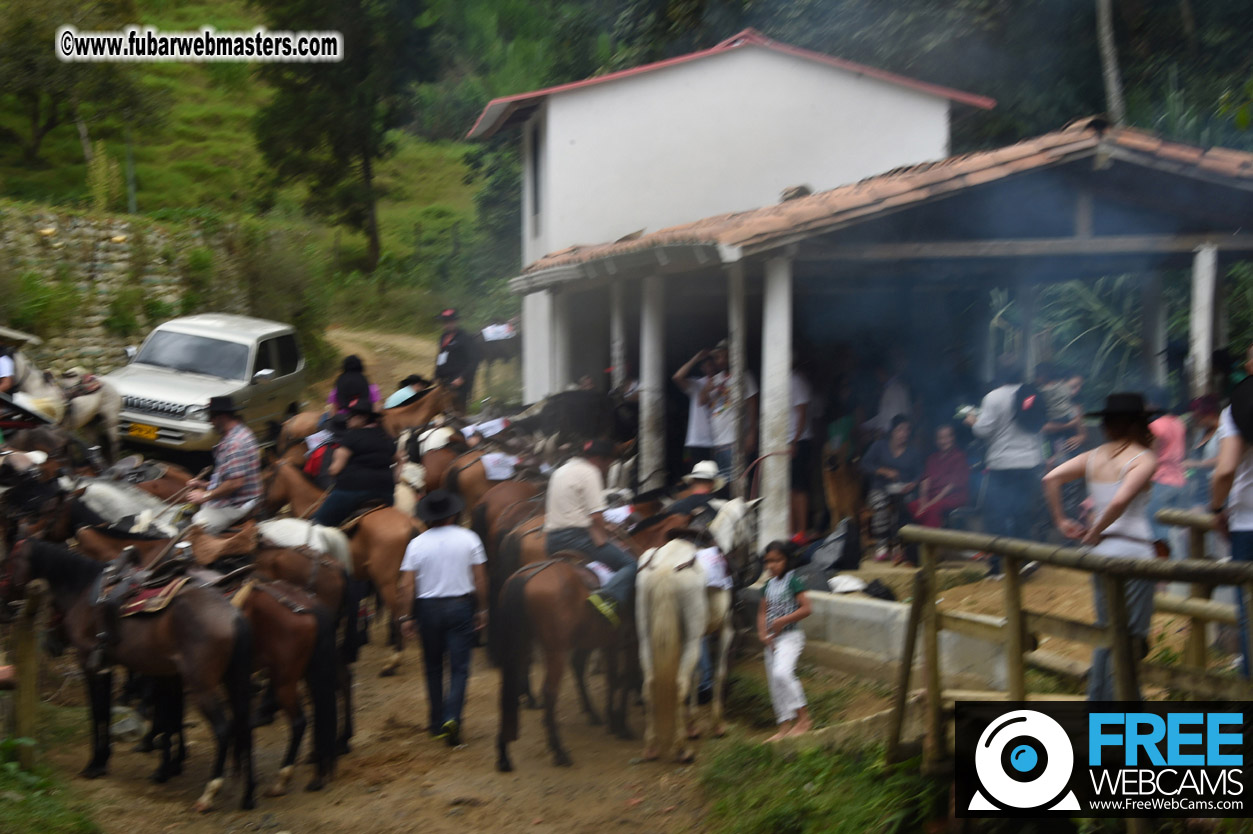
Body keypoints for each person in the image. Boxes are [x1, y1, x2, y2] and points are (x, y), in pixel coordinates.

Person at [1043, 392, 1158, 701]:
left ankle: (1100, 707)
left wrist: (1061, 520)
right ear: (1139, 424)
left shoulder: (1092, 456)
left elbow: (1050, 479)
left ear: (1107, 425)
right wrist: (1094, 529)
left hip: (1101, 555)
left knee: (1106, 632)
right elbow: (1122, 500)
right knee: (1132, 637)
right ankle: (1124, 714)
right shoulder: (1144, 458)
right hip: (1135, 554)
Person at [398, 489, 488, 746]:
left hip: (428, 609)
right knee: (459, 668)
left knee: (433, 667)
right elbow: (480, 578)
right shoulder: (469, 538)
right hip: (460, 606)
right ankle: (453, 717)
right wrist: (482, 609)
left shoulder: (416, 544)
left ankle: (436, 722)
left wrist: (405, 617)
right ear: (452, 515)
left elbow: (406, 586)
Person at [544, 439, 636, 627]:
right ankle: (607, 598)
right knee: (630, 564)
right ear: (600, 459)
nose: (607, 468)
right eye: (608, 463)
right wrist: (605, 534)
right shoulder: (590, 473)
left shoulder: (561, 470)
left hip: (551, 540)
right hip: (576, 538)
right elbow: (596, 516)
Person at [966, 366, 1046, 577]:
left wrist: (973, 421)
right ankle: (1026, 562)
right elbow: (1039, 425)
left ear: (998, 376)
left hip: (1002, 466)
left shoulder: (993, 397)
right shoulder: (1032, 393)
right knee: (1023, 515)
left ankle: (998, 567)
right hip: (1029, 464)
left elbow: (983, 431)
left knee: (996, 517)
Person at [1210, 375, 1253, 678]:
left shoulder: (1237, 409)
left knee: (1250, 614)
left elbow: (1225, 470)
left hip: (1248, 525)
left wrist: (1216, 508)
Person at [757, 540, 813, 741]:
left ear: (787, 560)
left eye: (777, 560)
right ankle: (783, 727)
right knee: (775, 684)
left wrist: (783, 621)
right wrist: (763, 634)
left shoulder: (793, 581)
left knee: (782, 673)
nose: (771, 565)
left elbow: (807, 608)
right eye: (768, 561)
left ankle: (804, 718)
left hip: (790, 637)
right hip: (772, 640)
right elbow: (763, 612)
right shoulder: (767, 586)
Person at [313, 398, 397, 527]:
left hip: (353, 490)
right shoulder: (385, 437)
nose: (348, 418)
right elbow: (399, 459)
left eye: (352, 416)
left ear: (363, 418)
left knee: (317, 524)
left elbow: (335, 469)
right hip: (386, 492)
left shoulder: (352, 436)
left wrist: (334, 462)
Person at [186, 396, 262, 533]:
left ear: (222, 417)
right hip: (236, 498)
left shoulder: (235, 444)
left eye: (212, 417)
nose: (210, 421)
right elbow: (229, 478)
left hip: (237, 504)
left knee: (197, 529)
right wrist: (204, 485)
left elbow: (235, 483)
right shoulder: (239, 432)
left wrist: (204, 496)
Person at [860, 415, 922, 562]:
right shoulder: (879, 446)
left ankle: (899, 547)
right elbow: (864, 464)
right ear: (893, 431)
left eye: (907, 430)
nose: (904, 433)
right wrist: (883, 471)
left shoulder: (912, 452)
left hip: (903, 490)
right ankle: (881, 546)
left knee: (904, 509)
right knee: (880, 506)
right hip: (879, 488)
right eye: (900, 429)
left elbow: (919, 473)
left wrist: (913, 483)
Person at [701, 340, 759, 486]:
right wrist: (708, 388)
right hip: (718, 442)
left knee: (738, 482)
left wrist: (752, 433)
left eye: (723, 356)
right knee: (722, 483)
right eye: (718, 357)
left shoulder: (744, 376)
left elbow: (753, 404)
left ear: (732, 356)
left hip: (735, 440)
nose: (720, 360)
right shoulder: (715, 379)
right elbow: (702, 401)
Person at [1146, 387, 1188, 558]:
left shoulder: (1154, 426)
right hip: (1179, 479)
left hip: (1160, 481)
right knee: (1179, 526)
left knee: (1157, 527)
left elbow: (1151, 457)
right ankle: (1183, 564)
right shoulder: (1179, 423)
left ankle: (1163, 574)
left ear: (1154, 404)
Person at [909, 423, 970, 529]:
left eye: (948, 437)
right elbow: (925, 481)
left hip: (953, 497)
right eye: (941, 438)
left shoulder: (959, 456)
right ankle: (918, 539)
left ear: (953, 438)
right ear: (936, 441)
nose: (944, 441)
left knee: (932, 509)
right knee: (913, 505)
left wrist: (930, 504)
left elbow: (951, 486)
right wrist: (923, 501)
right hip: (932, 496)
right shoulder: (932, 458)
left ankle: (931, 541)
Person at [671, 349, 716, 468]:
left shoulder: (723, 381)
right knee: (698, 480)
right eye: (706, 366)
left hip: (719, 440)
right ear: (702, 369)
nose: (709, 368)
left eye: (711, 365)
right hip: (697, 441)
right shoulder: (697, 384)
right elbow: (677, 377)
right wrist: (696, 358)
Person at [434, 308, 482, 414]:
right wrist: (436, 375)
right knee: (444, 410)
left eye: (450, 322)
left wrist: (462, 377)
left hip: (459, 382)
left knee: (458, 412)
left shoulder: (465, 338)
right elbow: (440, 356)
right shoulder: (443, 337)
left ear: (455, 322)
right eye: (445, 322)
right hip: (444, 380)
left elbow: (474, 360)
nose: (447, 325)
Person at [788, 364, 815, 536]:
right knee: (789, 489)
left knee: (798, 488)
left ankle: (802, 531)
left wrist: (794, 441)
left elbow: (802, 413)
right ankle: (792, 531)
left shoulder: (796, 381)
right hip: (784, 442)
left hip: (798, 441)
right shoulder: (781, 381)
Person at [1183, 394, 1222, 507]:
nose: (1196, 421)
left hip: (1217, 487)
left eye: (1198, 417)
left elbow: (1225, 459)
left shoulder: (1225, 433)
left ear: (1210, 414)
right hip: (1200, 487)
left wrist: (1196, 464)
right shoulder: (1202, 432)